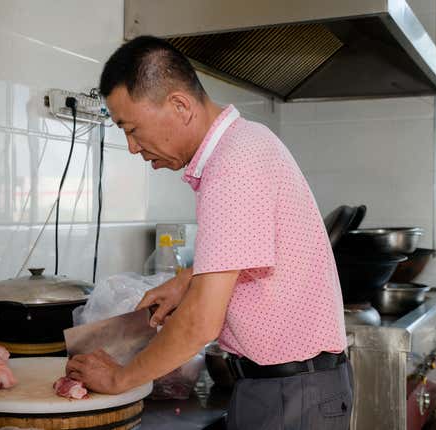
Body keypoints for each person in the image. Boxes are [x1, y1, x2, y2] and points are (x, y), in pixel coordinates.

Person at [66, 35, 352, 429]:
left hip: (292, 395)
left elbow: (201, 322)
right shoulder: (246, 143)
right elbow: (250, 250)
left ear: (180, 105)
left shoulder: (232, 165)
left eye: (132, 129)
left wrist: (120, 377)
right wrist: (188, 280)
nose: (132, 147)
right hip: (293, 389)